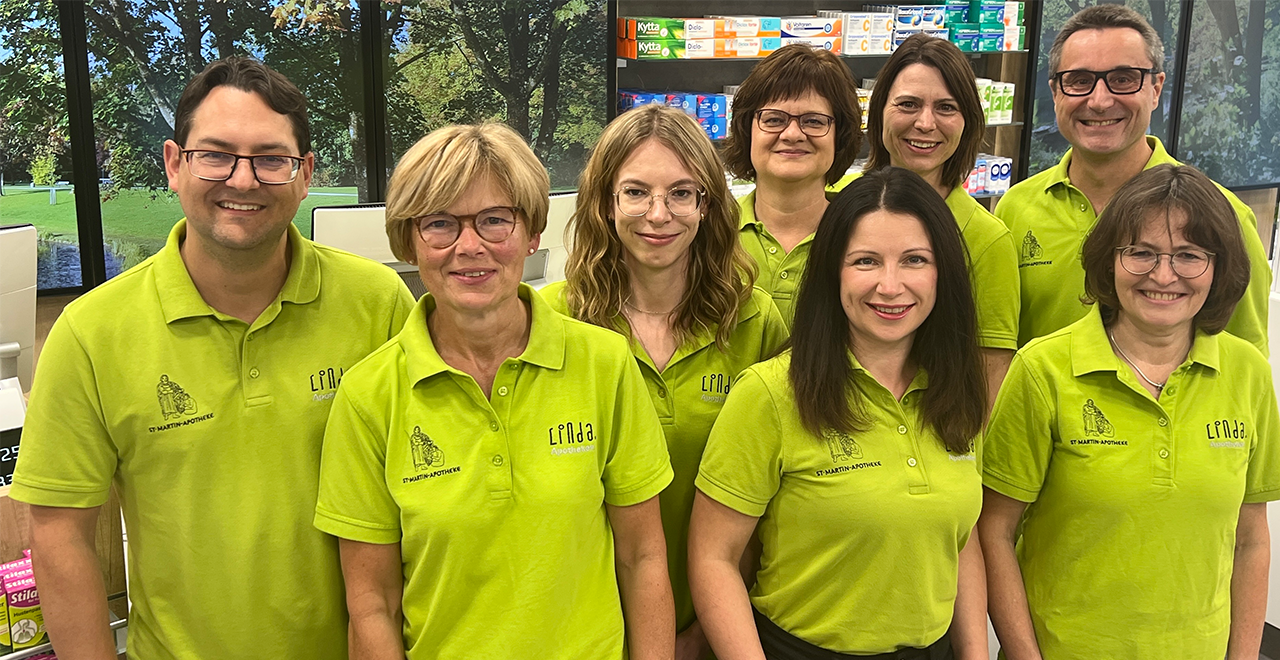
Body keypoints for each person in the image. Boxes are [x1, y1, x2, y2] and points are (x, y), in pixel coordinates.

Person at [9, 57, 416, 659]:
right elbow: (59, 533)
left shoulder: (377, 304)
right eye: (216, 155)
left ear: (305, 173)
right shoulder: (91, 333)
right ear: (175, 164)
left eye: (271, 158)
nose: (243, 180)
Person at [314, 122, 676, 659]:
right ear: (409, 242)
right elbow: (373, 605)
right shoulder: (370, 395)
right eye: (439, 223)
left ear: (531, 233)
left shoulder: (605, 364)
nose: (469, 246)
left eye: (494, 220)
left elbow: (642, 558)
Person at [979, 164, 1278, 660]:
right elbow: (995, 530)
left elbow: (1251, 540)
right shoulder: (1043, 370)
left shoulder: (1247, 372)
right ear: (1108, 259)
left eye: (1189, 255)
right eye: (1140, 252)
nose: (1163, 275)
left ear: (1219, 267)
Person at [689, 168, 989, 660]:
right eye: (865, 261)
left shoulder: (956, 391)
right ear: (833, 271)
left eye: (914, 260)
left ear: (944, 273)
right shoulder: (770, 394)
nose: (890, 286)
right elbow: (712, 558)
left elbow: (959, 538)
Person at [542, 103, 789, 659]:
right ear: (605, 203)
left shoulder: (753, 322)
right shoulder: (554, 323)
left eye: (681, 193)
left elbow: (780, 504)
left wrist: (708, 630)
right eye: (636, 192)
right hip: (586, 632)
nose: (658, 214)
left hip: (724, 625)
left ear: (707, 205)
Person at [995, 4, 1270, 353]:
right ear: (1055, 92)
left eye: (1123, 79)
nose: (1099, 101)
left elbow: (1245, 364)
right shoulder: (1016, 210)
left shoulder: (1224, 216)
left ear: (1155, 88)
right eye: (1079, 81)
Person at [835, 32, 1020, 405]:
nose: (925, 123)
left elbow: (988, 384)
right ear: (879, 111)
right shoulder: (838, 205)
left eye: (946, 108)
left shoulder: (987, 239)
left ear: (968, 121)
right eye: (908, 104)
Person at [722, 44, 864, 327]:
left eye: (813, 121)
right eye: (774, 119)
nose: (792, 134)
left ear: (840, 136)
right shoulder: (711, 231)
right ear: (747, 130)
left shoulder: (864, 236)